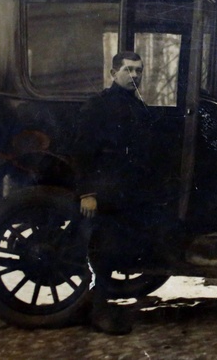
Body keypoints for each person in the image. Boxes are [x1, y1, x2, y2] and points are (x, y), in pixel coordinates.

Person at [73, 51, 180, 335]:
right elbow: (83, 152)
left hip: (130, 191)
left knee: (126, 246)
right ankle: (98, 311)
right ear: (113, 73)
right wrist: (87, 193)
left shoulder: (137, 105)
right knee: (106, 251)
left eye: (139, 70)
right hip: (107, 192)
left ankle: (94, 304)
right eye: (128, 70)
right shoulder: (99, 106)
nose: (135, 75)